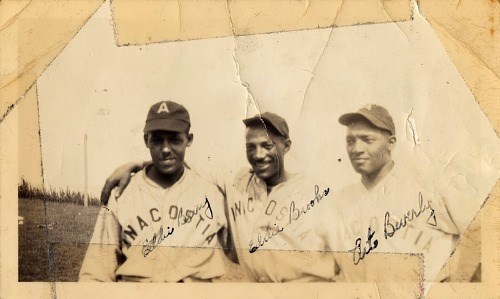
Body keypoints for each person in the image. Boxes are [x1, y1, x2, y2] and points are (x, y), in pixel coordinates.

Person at [100, 112, 337, 282]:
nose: (258, 155)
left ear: (286, 146)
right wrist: (137, 165)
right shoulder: (238, 182)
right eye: (250, 147)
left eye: (267, 146)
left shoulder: (314, 192)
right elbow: (181, 163)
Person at [79, 101, 227, 282]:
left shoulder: (211, 193)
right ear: (146, 140)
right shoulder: (122, 194)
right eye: (157, 140)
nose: (165, 149)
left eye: (174, 140)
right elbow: (96, 271)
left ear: (189, 140)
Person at [333, 104, 462, 284]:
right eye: (350, 141)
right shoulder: (341, 201)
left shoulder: (425, 190)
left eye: (367, 140)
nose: (356, 149)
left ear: (391, 142)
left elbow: (476, 240)